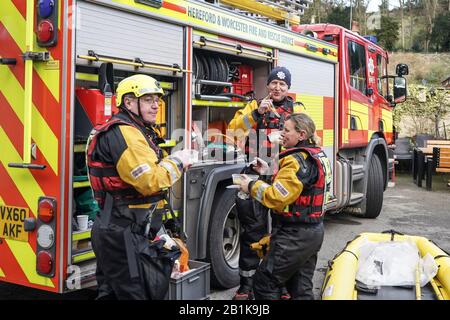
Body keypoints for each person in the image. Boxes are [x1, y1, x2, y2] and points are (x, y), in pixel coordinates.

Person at [86, 74, 194, 300]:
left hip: (120, 228)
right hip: (122, 233)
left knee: (112, 294)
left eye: (157, 99)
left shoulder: (135, 130)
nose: (156, 105)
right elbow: (149, 182)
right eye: (147, 99)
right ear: (128, 102)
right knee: (136, 294)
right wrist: (178, 161)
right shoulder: (125, 133)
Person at [238, 113, 331, 300]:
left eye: (286, 130)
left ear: (301, 135)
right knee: (300, 289)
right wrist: (267, 173)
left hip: (294, 236)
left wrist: (250, 185)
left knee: (265, 283)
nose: (282, 134)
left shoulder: (296, 160)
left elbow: (277, 197)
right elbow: (296, 187)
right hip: (311, 233)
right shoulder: (314, 155)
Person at [228, 67, 302, 300]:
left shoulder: (296, 110)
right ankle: (246, 286)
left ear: (288, 88)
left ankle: (280, 285)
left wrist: (279, 119)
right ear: (268, 85)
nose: (278, 88)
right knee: (252, 231)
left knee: (282, 233)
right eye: (274, 84)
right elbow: (234, 131)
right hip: (255, 173)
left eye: (283, 85)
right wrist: (257, 114)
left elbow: (308, 137)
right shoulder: (254, 105)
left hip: (283, 177)